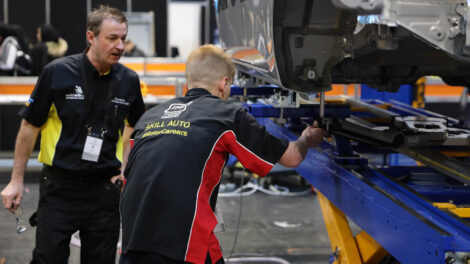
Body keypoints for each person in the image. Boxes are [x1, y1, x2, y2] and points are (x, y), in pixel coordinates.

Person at [119, 44, 325, 264]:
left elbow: (128, 170)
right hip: (182, 245)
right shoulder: (227, 115)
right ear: (224, 84)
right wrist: (307, 138)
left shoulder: (150, 116)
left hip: (132, 241)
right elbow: (292, 157)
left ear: (188, 83)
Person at [0, 5, 145, 264]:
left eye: (123, 38)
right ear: (91, 38)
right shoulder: (58, 73)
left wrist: (125, 167)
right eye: (112, 38)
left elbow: (134, 126)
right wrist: (16, 180)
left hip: (104, 189)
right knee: (48, 259)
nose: (120, 45)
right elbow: (29, 126)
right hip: (60, 187)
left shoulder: (129, 81)